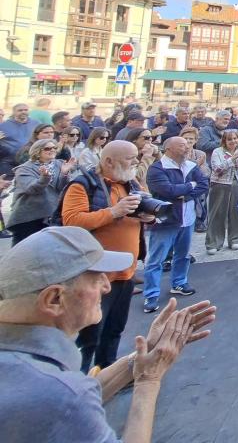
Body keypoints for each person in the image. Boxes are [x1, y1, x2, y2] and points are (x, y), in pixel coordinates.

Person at [0, 226, 216, 443]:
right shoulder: (61, 395)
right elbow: (69, 399)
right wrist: (149, 379)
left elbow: (81, 393)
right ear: (54, 299)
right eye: (95, 278)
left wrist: (139, 358)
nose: (106, 286)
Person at [62, 140, 151, 371]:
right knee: (89, 335)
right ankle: (80, 383)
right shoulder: (83, 185)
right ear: (109, 160)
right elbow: (71, 221)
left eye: (136, 156)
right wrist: (113, 212)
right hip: (95, 276)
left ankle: (108, 373)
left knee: (114, 329)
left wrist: (147, 216)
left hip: (125, 273)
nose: (136, 161)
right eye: (130, 158)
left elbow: (141, 211)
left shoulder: (129, 183)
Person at [143, 137, 209, 313]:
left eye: (187, 145)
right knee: (156, 259)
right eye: (182, 145)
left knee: (183, 254)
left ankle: (179, 283)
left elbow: (203, 185)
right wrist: (190, 185)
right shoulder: (157, 169)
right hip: (166, 221)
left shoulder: (191, 166)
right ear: (168, 149)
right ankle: (151, 295)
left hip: (188, 219)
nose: (187, 148)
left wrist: (185, 193)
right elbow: (168, 191)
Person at [8, 139, 75, 244]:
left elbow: (62, 188)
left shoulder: (59, 164)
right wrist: (44, 178)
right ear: (37, 152)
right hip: (29, 217)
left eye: (54, 148)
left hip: (51, 215)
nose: (52, 150)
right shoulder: (24, 168)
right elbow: (31, 189)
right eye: (47, 148)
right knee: (24, 250)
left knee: (48, 250)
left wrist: (64, 174)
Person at [206, 130, 238, 255]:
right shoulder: (217, 152)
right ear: (224, 141)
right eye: (229, 139)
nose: (233, 141)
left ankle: (235, 239)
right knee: (217, 214)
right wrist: (233, 158)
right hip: (220, 184)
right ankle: (214, 242)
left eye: (235, 138)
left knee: (237, 213)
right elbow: (217, 169)